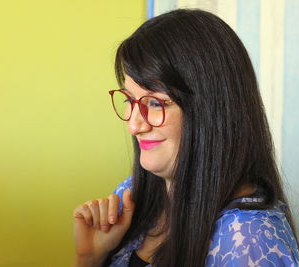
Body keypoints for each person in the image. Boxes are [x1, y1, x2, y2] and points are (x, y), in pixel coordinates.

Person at [73, 9, 299, 267]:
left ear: (210, 112)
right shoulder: (132, 196)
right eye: (129, 100)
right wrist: (89, 258)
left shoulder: (250, 241)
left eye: (156, 104)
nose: (133, 126)